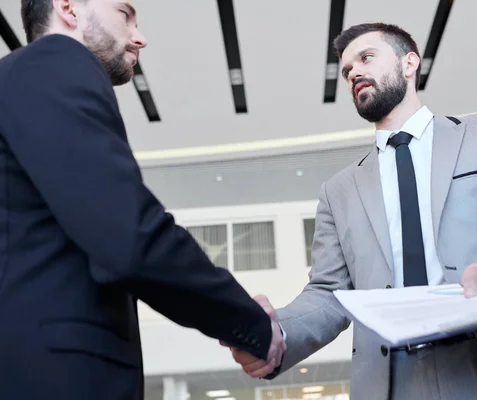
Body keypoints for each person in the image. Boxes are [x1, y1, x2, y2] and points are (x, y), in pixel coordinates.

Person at [228, 23, 477, 399]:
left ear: (409, 63)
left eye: (366, 58)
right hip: (393, 381)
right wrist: (275, 333)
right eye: (348, 70)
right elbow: (329, 295)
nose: (355, 73)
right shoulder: (338, 192)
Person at [0, 1, 284, 399]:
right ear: (69, 8)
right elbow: (128, 238)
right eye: (125, 14)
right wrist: (251, 324)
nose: (140, 37)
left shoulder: (16, 83)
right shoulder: (56, 61)